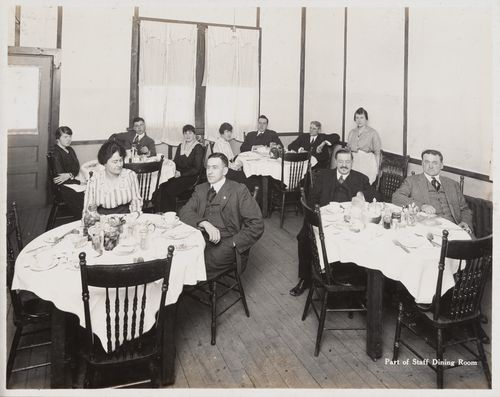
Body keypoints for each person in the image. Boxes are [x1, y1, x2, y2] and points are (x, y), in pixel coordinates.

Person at [290, 149, 381, 296]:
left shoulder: (360, 178)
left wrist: (363, 194)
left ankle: (350, 277)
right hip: (326, 219)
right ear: (336, 162)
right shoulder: (324, 176)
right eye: (341, 161)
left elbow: (377, 196)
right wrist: (318, 216)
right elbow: (312, 199)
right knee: (304, 237)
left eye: (347, 162)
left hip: (350, 221)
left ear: (352, 162)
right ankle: (305, 278)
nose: (344, 165)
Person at [179, 153, 264, 279]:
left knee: (192, 266)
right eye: (208, 167)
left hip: (226, 243)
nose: (210, 172)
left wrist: (233, 243)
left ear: (225, 170)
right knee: (177, 260)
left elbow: (257, 224)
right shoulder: (201, 189)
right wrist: (204, 223)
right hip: (200, 238)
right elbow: (184, 211)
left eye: (215, 167)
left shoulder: (239, 190)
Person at [392, 149, 473, 234]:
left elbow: (465, 209)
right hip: (429, 230)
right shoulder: (411, 181)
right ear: (422, 164)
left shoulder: (453, 184)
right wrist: (422, 206)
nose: (430, 166)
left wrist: (465, 223)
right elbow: (396, 197)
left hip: (455, 229)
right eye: (427, 162)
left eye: (435, 163)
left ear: (441, 165)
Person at [154, 124, 204, 212]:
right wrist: (173, 170)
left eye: (190, 133)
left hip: (190, 176)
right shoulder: (181, 145)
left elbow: (196, 169)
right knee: (162, 185)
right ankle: (159, 211)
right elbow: (175, 161)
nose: (187, 135)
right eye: (185, 133)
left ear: (194, 134)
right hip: (178, 173)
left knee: (170, 189)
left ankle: (169, 214)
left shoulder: (198, 147)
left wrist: (181, 174)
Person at [83, 141, 142, 215]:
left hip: (126, 218)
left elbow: (136, 202)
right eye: (115, 162)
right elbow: (88, 209)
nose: (119, 164)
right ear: (104, 163)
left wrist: (134, 217)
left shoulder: (130, 175)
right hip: (102, 219)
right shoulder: (94, 180)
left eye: (121, 160)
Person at [52, 126, 84, 217]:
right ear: (58, 138)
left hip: (70, 181)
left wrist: (69, 174)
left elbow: (76, 168)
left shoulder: (70, 149)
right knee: (85, 192)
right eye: (65, 137)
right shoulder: (56, 153)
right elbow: (61, 178)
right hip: (63, 186)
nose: (69, 139)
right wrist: (78, 181)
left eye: (70, 136)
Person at [346, 107, 381, 185]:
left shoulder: (373, 133)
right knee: (350, 182)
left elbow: (377, 153)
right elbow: (348, 150)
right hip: (353, 161)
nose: (359, 120)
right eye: (357, 118)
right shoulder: (352, 132)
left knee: (363, 183)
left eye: (362, 117)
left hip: (367, 162)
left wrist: (378, 169)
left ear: (366, 119)